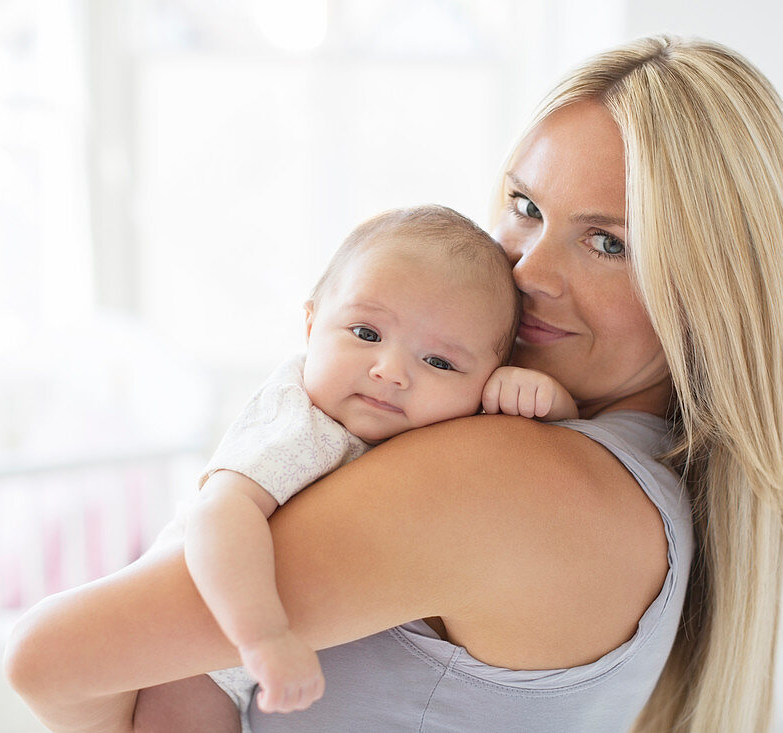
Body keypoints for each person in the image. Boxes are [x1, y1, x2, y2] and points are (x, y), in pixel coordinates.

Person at [4, 34, 783, 733]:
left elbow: (53, 656)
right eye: (525, 205)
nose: (529, 271)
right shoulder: (647, 493)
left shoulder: (512, 475)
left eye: (608, 244)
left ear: (712, 290)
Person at [146, 204, 575, 733]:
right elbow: (220, 513)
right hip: (192, 650)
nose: (390, 371)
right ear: (309, 325)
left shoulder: (440, 432)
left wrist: (546, 403)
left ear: (488, 378)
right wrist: (263, 636)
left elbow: (553, 453)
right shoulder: (301, 422)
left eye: (439, 362)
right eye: (366, 333)